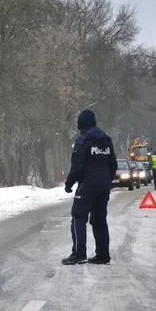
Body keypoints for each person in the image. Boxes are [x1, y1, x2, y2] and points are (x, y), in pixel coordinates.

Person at [62, 109, 117, 265]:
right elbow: (113, 163)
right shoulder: (106, 140)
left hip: (88, 183)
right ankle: (103, 255)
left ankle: (79, 253)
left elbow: (77, 166)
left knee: (78, 216)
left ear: (81, 123)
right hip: (104, 183)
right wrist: (108, 181)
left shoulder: (82, 140)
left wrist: (69, 184)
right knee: (99, 218)